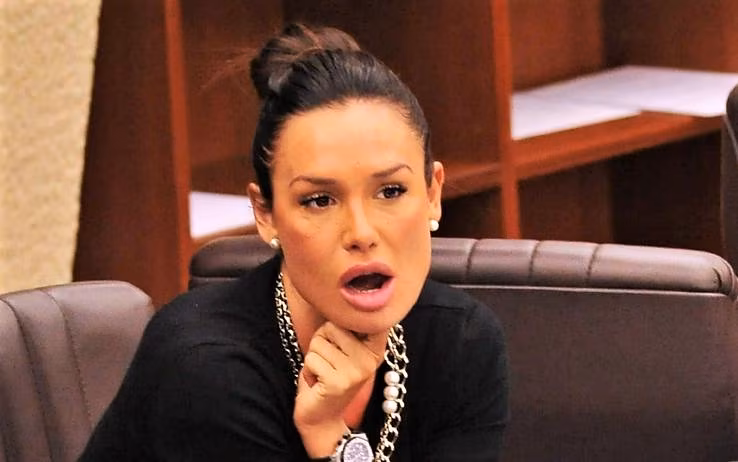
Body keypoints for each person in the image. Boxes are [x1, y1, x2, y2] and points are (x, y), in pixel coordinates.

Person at [79, 22, 508, 461]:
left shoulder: (461, 342)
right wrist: (327, 435)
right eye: (319, 200)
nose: (361, 233)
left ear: (433, 193)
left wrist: (329, 436)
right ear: (265, 214)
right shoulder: (207, 370)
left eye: (391, 191)